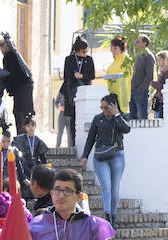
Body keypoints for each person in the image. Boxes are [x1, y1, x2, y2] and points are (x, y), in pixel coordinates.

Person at [80, 93, 130, 226]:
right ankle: (107, 214)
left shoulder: (120, 118)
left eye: (106, 107)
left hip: (117, 155)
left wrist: (117, 114)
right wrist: (85, 156)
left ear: (113, 106)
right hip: (101, 156)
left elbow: (126, 129)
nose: (104, 110)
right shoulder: (98, 119)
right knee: (106, 186)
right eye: (102, 107)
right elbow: (90, 138)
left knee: (115, 188)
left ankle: (113, 216)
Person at [59, 37, 95, 150]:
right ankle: (73, 144)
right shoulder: (69, 59)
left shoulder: (89, 60)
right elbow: (66, 76)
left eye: (86, 51)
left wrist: (82, 76)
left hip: (84, 91)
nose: (85, 54)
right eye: (83, 51)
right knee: (72, 119)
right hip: (72, 93)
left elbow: (92, 75)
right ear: (77, 50)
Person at [0, 35, 34, 131]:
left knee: (19, 112)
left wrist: (8, 88)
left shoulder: (8, 57)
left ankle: (22, 134)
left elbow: (10, 74)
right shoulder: (15, 55)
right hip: (26, 85)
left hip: (20, 87)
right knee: (26, 111)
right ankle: (27, 131)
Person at [14, 117, 48, 181]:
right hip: (23, 164)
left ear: (35, 126)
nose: (31, 128)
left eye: (32, 125)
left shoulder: (38, 140)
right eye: (28, 126)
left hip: (35, 164)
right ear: (25, 127)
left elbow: (43, 157)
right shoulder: (19, 139)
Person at [129, 35, 155, 120]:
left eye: (138, 41)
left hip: (141, 92)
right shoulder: (138, 56)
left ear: (144, 43)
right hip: (133, 91)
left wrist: (140, 89)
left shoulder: (149, 56)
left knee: (142, 118)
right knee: (133, 118)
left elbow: (149, 76)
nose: (135, 43)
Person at [103, 36, 131, 113]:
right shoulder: (115, 61)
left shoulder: (126, 61)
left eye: (114, 47)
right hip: (113, 94)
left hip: (122, 96)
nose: (111, 49)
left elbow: (127, 79)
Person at [151, 51, 168, 118]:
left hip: (164, 102)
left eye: (159, 60)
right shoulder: (162, 72)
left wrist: (151, 82)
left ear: (165, 60)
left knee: (160, 122)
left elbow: (164, 86)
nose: (158, 62)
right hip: (160, 101)